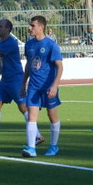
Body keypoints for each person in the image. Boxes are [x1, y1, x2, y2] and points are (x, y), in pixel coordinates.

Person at [21, 15, 63, 157]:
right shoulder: (29, 45)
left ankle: (54, 146)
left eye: (33, 25)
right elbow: (29, 64)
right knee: (31, 117)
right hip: (33, 87)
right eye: (30, 25)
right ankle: (31, 148)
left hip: (48, 86)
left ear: (41, 27)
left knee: (52, 116)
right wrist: (23, 83)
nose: (30, 28)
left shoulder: (51, 45)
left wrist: (54, 86)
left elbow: (59, 66)